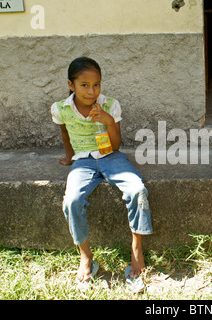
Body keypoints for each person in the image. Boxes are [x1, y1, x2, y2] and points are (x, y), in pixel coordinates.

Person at [51, 57, 153, 289]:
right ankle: (85, 256)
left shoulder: (110, 105)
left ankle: (137, 250)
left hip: (111, 157)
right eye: (84, 85)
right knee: (72, 200)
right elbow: (66, 135)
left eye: (96, 84)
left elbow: (116, 145)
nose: (91, 91)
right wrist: (69, 158)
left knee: (137, 190)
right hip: (83, 162)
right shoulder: (61, 109)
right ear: (71, 85)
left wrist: (108, 122)